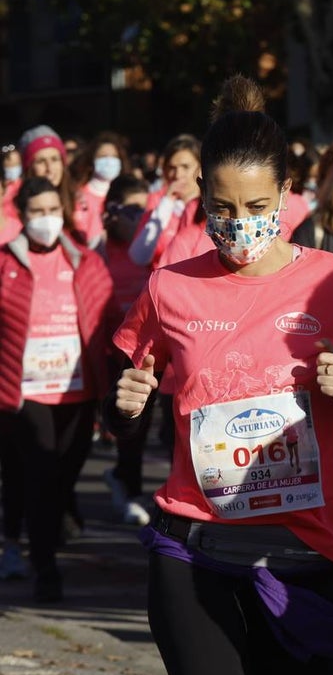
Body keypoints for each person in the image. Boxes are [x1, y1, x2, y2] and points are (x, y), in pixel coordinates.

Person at [106, 75, 333, 675]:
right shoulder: (170, 288)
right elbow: (120, 398)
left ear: (285, 194)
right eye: (222, 206)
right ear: (202, 200)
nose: (239, 223)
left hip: (306, 554)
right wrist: (126, 405)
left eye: (254, 205)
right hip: (195, 551)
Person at [0, 176, 116, 598]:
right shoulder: (5, 262)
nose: (45, 220)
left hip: (79, 392)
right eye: (37, 212)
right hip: (26, 395)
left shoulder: (85, 261)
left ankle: (45, 536)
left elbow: (109, 318)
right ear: (22, 216)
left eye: (52, 211)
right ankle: (45, 568)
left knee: (63, 477)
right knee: (42, 475)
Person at [100, 174, 155, 527]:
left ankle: (128, 484)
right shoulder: (98, 250)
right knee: (120, 422)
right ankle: (125, 482)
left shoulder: (149, 249)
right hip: (106, 350)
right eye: (130, 210)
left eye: (143, 210)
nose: (137, 219)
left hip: (144, 349)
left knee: (141, 424)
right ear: (111, 211)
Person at [129, 134, 202, 269]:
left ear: (201, 167)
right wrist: (166, 204)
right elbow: (139, 256)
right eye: (172, 167)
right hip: (163, 281)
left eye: (185, 167)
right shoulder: (158, 201)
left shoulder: (211, 203)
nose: (177, 175)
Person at [71, 132, 132, 249]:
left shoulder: (128, 197)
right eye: (103, 156)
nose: (109, 161)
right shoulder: (77, 196)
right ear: (92, 161)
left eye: (114, 156)